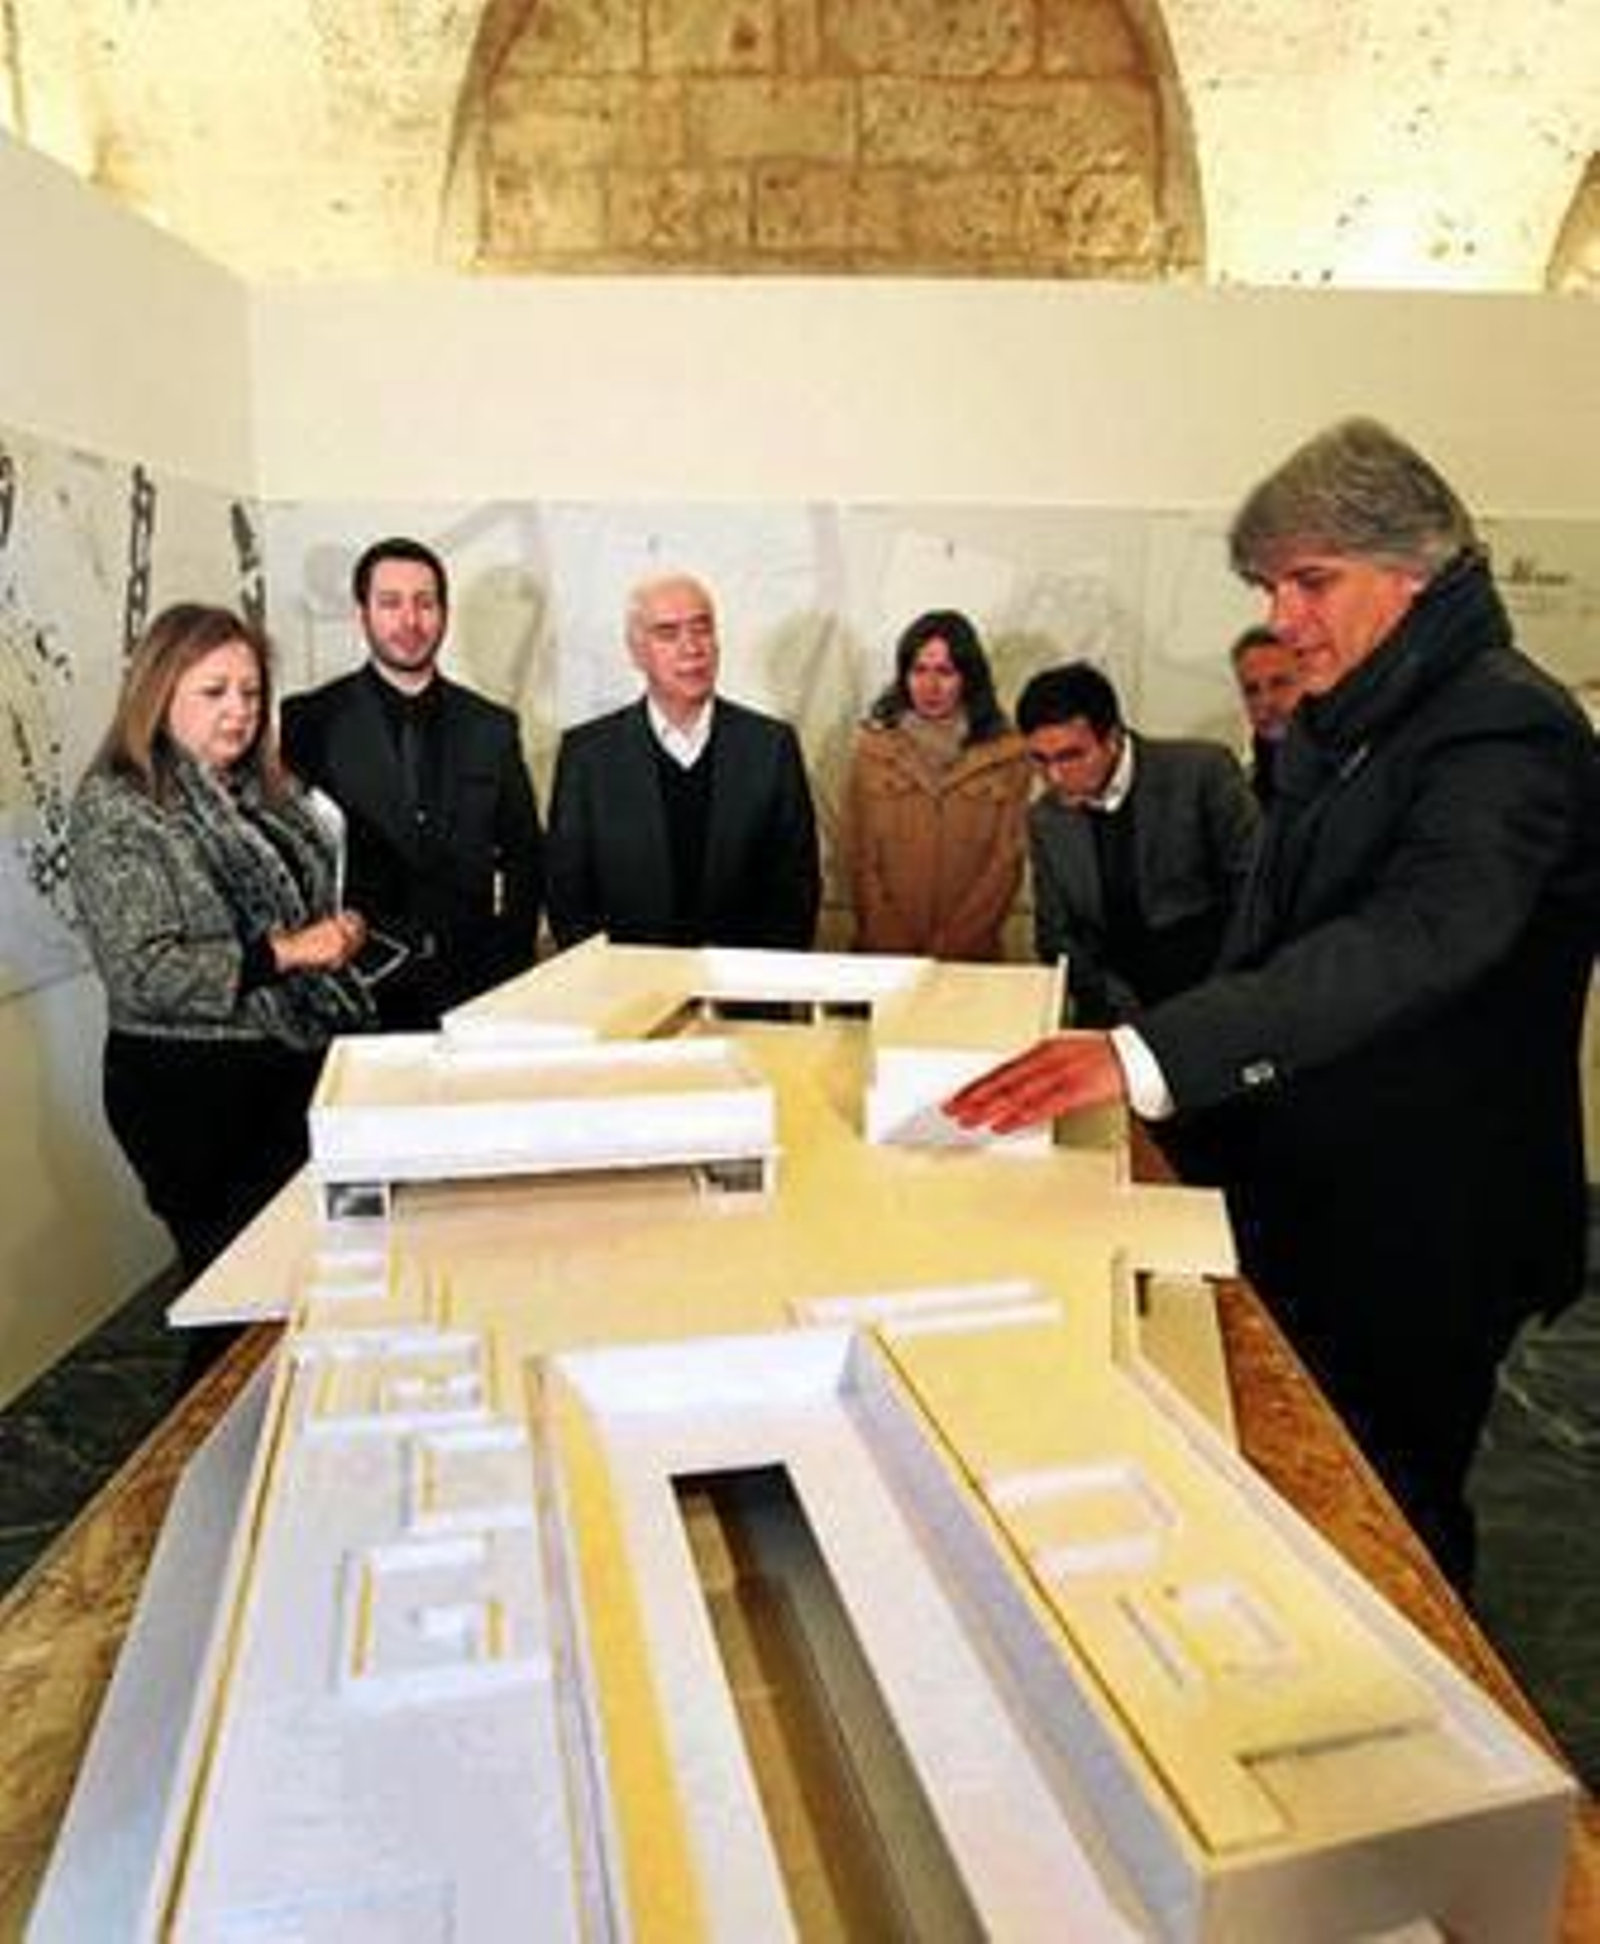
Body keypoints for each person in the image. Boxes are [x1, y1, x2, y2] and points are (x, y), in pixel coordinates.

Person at [946, 418, 1600, 1591]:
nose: (1283, 616)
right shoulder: (1348, 721)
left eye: (1311, 581)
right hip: (1313, 1184)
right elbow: (1268, 939)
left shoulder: (1507, 727)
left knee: (1391, 1508)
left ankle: (1427, 1730)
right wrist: (1176, 1124)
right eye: (1268, 584)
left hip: (1427, 1216)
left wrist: (1149, 1055)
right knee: (1303, 1490)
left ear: (1417, 567)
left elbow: (1412, 940)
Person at [69, 603, 373, 1286]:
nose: (237, 710)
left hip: (290, 1067)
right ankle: (220, 1400)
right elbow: (143, 972)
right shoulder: (118, 805)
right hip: (190, 1090)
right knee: (239, 1295)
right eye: (213, 692)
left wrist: (338, 931)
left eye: (251, 692)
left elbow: (305, 906)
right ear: (158, 692)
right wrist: (291, 952)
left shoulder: (262, 793)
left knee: (315, 1280)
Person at [280, 537, 543, 1030]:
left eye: (425, 603)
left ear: (443, 612)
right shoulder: (307, 721)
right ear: (362, 613)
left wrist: (510, 969)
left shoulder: (492, 726)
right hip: (356, 993)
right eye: (390, 603)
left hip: (474, 993)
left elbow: (525, 857)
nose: (410, 621)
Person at [546, 573, 820, 950]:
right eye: (668, 633)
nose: (692, 648)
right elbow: (568, 896)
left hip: (742, 994)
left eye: (702, 629)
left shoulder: (771, 748)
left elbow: (796, 893)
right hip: (623, 994)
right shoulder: (588, 755)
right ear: (636, 651)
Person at [1019, 661, 1258, 1025]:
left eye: (1071, 756)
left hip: (1213, 997)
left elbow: (1256, 891)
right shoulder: (1045, 817)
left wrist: (1222, 990)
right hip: (1110, 1010)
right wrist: (1105, 996)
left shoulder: (1201, 774)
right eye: (1040, 759)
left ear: (1112, 739)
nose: (1054, 776)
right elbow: (1055, 934)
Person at [844, 610, 1029, 960]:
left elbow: (1006, 864)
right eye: (919, 670)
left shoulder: (1008, 755)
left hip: (972, 959)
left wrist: (955, 945)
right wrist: (890, 941)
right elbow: (858, 856)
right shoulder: (873, 749)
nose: (930, 686)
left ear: (968, 677)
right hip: (883, 956)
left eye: (945, 672)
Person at [1231, 623, 1304, 804]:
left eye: (1279, 683)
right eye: (1252, 690)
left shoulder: (1344, 774)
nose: (1266, 701)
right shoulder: (1241, 791)